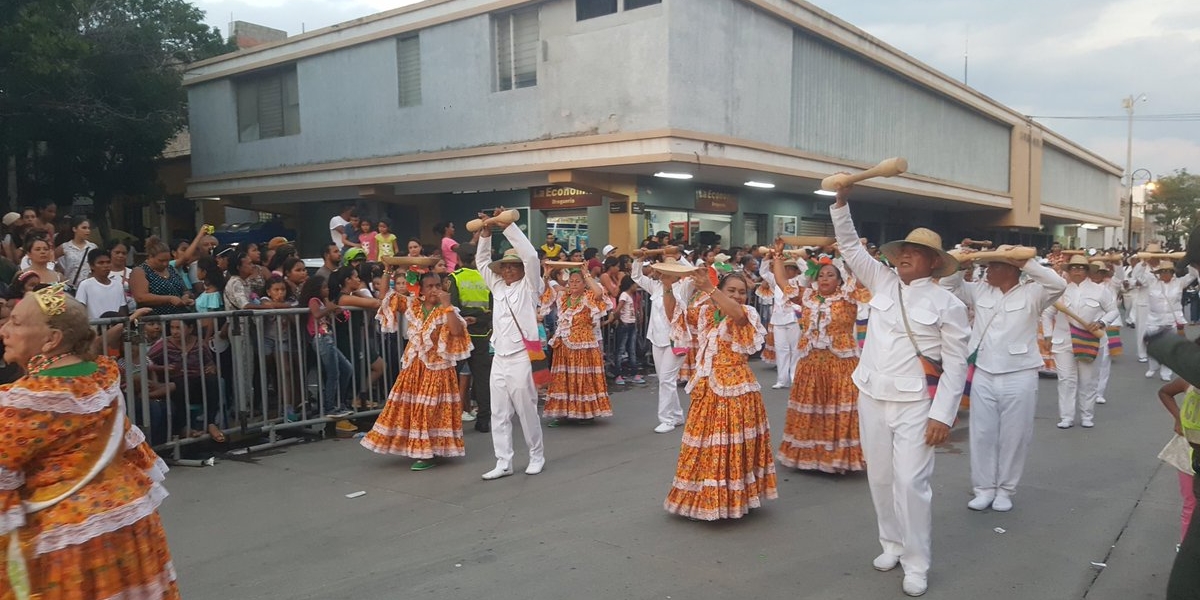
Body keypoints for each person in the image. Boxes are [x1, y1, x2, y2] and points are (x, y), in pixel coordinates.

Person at [831, 184, 970, 598]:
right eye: (901, 250)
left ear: (933, 262)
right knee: (881, 477)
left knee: (911, 483)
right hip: (871, 393)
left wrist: (942, 415)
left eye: (915, 252)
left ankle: (917, 562)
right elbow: (852, 250)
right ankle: (891, 543)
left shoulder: (949, 304)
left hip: (915, 404)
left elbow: (956, 365)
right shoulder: (883, 282)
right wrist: (840, 204)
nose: (904, 256)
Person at [0, 285, 179, 599]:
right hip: (131, 517)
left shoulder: (23, 401)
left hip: (70, 539)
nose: (4, 330)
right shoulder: (101, 375)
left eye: (15, 322)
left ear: (51, 339)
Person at [940, 246, 1066, 512]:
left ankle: (1006, 489)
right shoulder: (979, 290)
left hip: (1019, 372)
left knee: (1015, 435)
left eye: (994, 266)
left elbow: (1057, 284)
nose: (988, 271)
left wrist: (1026, 263)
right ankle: (983, 488)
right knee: (982, 433)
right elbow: (946, 286)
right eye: (986, 267)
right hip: (984, 370)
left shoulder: (1033, 292)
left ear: (1011, 268)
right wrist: (961, 262)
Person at [662, 270, 775, 520]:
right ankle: (703, 498)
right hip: (707, 388)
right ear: (721, 291)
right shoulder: (705, 312)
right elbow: (674, 317)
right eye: (731, 290)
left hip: (735, 391)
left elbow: (737, 314)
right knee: (703, 447)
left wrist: (709, 289)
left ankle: (729, 501)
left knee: (726, 447)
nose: (737, 296)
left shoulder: (747, 313)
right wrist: (667, 287)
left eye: (742, 291)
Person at [362, 271, 471, 470]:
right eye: (429, 286)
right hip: (414, 365)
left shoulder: (447, 309)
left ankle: (428, 453)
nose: (435, 290)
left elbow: (456, 331)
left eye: (438, 286)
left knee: (428, 409)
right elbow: (385, 297)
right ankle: (420, 448)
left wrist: (447, 305)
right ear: (420, 289)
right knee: (409, 408)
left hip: (437, 367)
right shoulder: (414, 305)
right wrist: (387, 270)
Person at [773, 250, 867, 474]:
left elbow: (863, 278)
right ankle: (809, 455)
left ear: (840, 279)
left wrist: (850, 252)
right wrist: (777, 256)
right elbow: (781, 281)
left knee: (837, 408)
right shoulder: (807, 297)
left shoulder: (848, 295)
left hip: (840, 363)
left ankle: (837, 458)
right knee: (812, 407)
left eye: (830, 275)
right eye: (821, 275)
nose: (824, 279)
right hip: (811, 362)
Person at [476, 208, 546, 480]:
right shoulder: (499, 287)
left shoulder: (530, 286)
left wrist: (506, 226)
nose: (506, 270)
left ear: (520, 270)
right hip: (500, 357)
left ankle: (536, 455)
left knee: (526, 410)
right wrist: (485, 233)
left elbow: (530, 255)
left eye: (511, 266)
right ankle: (503, 461)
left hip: (521, 356)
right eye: (504, 266)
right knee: (499, 412)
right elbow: (482, 262)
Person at [1042, 255, 1119, 429]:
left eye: (1081, 268)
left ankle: (1087, 415)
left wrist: (1101, 322)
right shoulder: (1059, 290)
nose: (1077, 271)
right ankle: (1066, 417)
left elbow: (1113, 310)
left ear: (1087, 271)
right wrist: (1047, 335)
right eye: (1074, 268)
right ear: (1068, 271)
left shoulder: (1100, 290)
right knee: (1066, 379)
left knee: (1088, 380)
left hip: (1089, 339)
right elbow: (1047, 314)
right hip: (1064, 341)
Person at [539, 267, 613, 426]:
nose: (573, 284)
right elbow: (544, 293)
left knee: (582, 377)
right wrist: (546, 274)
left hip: (583, 345)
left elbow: (599, 294)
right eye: (571, 281)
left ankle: (584, 413)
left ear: (584, 283)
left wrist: (586, 274)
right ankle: (562, 413)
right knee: (562, 378)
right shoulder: (563, 296)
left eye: (577, 281)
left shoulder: (589, 296)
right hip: (564, 345)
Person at [630, 253, 689, 433]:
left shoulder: (685, 286)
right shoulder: (655, 286)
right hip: (657, 338)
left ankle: (667, 419)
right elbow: (636, 276)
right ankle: (677, 415)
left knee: (666, 379)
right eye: (662, 272)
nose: (661, 275)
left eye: (666, 272)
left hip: (676, 338)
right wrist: (638, 260)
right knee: (665, 379)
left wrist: (680, 257)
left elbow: (694, 273)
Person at [449, 243, 494, 433]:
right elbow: (493, 308)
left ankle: (449, 422)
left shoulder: (455, 278)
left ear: (458, 260)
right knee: (483, 379)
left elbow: (452, 307)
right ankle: (484, 421)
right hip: (482, 333)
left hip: (460, 334)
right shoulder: (486, 278)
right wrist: (479, 318)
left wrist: (467, 318)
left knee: (451, 378)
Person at [298, 275, 355, 419]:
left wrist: (334, 311)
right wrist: (328, 309)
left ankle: (338, 402)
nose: (327, 289)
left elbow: (326, 316)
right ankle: (330, 407)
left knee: (347, 368)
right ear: (316, 289)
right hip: (320, 339)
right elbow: (316, 314)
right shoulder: (314, 300)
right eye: (324, 287)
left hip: (328, 338)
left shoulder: (324, 301)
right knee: (333, 373)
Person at [1136, 260, 1198, 381]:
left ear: (1172, 272)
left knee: (1169, 347)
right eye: (1162, 272)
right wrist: (1143, 263)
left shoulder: (1179, 283)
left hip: (1172, 319)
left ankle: (1166, 372)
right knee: (1152, 344)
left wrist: (1190, 260)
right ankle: (1153, 366)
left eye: (1168, 271)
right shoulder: (1152, 282)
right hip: (1154, 318)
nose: (1165, 274)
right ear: (1158, 273)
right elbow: (1138, 276)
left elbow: (1193, 274)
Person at [759, 252, 803, 389]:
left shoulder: (800, 280)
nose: (787, 270)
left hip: (795, 318)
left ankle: (795, 378)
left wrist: (799, 258)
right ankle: (782, 380)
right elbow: (764, 273)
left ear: (796, 270)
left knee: (796, 350)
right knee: (781, 349)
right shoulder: (776, 281)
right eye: (786, 267)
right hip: (778, 319)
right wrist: (766, 259)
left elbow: (808, 273)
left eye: (791, 268)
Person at [130, 237, 194, 316]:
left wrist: (186, 296)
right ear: (150, 257)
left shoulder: (171, 268)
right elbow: (141, 297)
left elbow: (185, 289)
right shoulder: (140, 271)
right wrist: (169, 299)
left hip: (178, 318)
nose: (165, 264)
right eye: (161, 260)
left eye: (167, 260)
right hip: (154, 320)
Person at [74, 248, 127, 319]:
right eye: (101, 263)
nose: (106, 266)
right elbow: (80, 309)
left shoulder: (118, 285)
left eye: (108, 262)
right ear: (92, 266)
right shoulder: (85, 285)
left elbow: (122, 308)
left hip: (116, 326)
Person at [613, 275, 645, 385]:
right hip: (625, 324)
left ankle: (634, 373)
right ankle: (618, 374)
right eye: (635, 284)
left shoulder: (632, 295)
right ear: (630, 285)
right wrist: (620, 320)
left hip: (631, 324)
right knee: (621, 349)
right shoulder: (624, 295)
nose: (636, 286)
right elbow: (618, 310)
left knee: (631, 349)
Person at [56, 215, 98, 289]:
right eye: (84, 228)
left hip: (89, 286)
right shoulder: (65, 247)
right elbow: (51, 259)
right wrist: (59, 272)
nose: (87, 231)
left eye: (88, 228)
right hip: (71, 286)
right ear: (74, 229)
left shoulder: (92, 247)